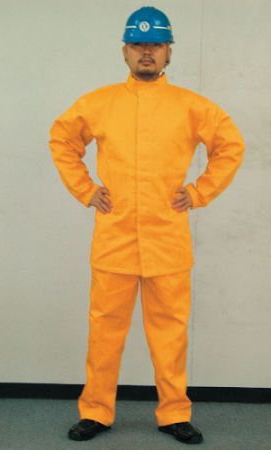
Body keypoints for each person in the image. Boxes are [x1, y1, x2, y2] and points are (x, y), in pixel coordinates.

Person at [48, 5, 245, 445]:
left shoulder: (191, 107)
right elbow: (62, 138)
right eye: (138, 44)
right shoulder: (99, 103)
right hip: (114, 237)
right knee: (104, 332)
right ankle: (96, 411)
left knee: (170, 334)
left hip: (167, 239)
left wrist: (199, 192)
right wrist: (85, 189)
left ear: (169, 51)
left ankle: (174, 413)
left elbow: (230, 145)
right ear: (124, 51)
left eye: (155, 44)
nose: (146, 52)